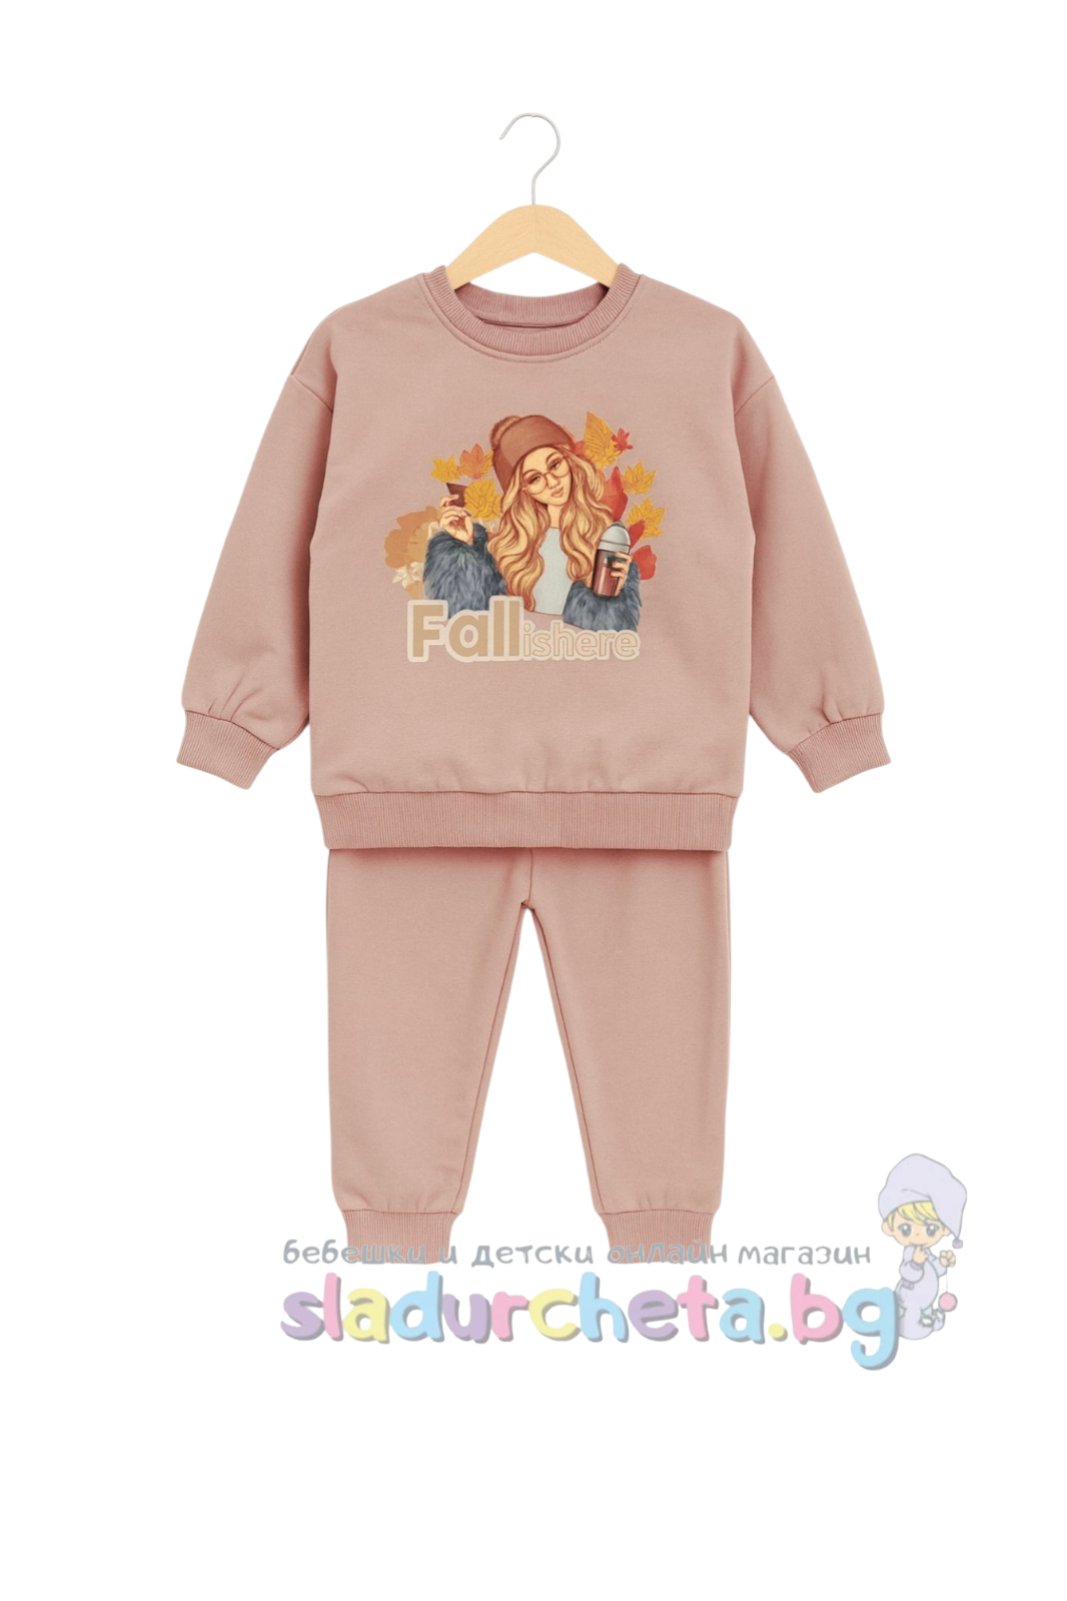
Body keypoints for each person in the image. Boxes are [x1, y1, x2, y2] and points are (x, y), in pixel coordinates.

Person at [422, 413, 642, 632]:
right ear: (523, 489)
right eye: (535, 478)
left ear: (570, 461)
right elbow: (471, 620)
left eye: (554, 465)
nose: (552, 482)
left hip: (578, 650)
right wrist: (464, 547)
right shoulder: (508, 547)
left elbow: (611, 635)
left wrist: (610, 597)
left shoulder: (607, 537)